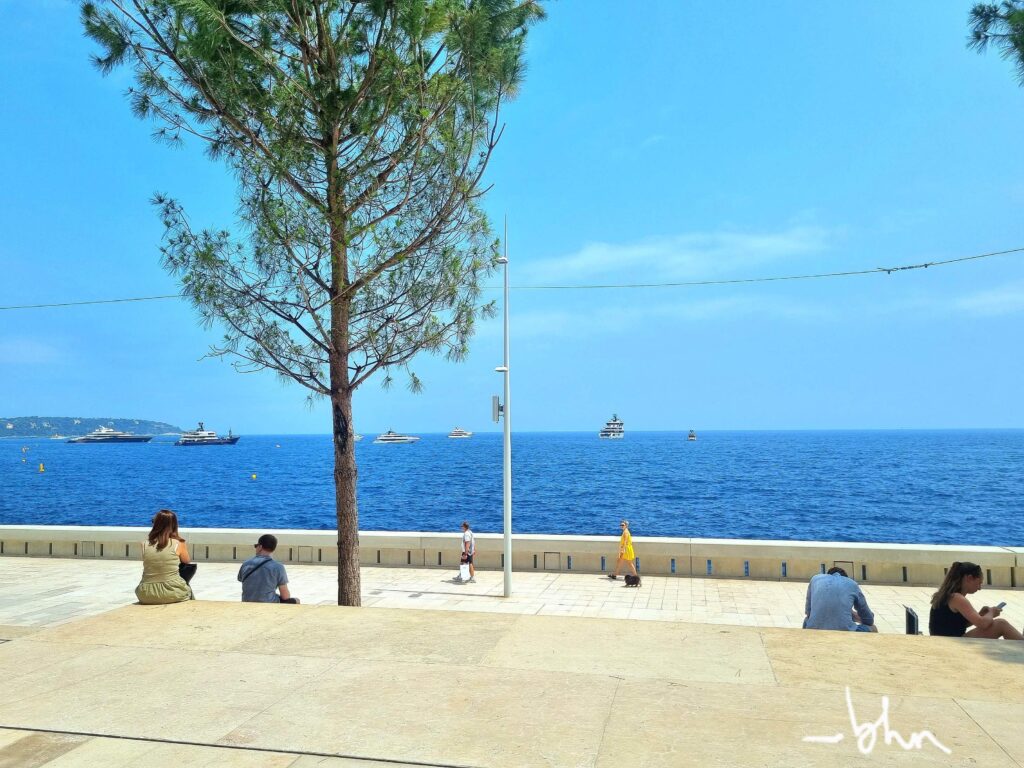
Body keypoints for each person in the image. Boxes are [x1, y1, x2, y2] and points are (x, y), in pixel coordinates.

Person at [929, 561, 1021, 640]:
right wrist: (991, 613)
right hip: (949, 642)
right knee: (1001, 624)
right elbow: (983, 624)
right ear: (969, 578)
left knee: (1000, 623)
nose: (980, 588)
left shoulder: (948, 595)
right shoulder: (956, 598)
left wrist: (980, 614)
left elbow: (956, 626)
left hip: (945, 639)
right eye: (979, 583)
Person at [135, 509, 193, 605]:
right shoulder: (179, 543)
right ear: (174, 525)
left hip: (146, 593)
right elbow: (186, 562)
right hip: (173, 592)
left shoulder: (144, 544)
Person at [803, 566, 877, 632]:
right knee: (873, 628)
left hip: (813, 629)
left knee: (806, 621)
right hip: (845, 631)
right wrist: (855, 616)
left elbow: (808, 613)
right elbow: (869, 620)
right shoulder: (852, 584)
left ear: (828, 574)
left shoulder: (815, 579)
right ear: (845, 577)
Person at [238, 534, 298, 604]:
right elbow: (285, 596)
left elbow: (242, 580)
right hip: (268, 603)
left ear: (260, 547)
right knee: (296, 600)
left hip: (247, 602)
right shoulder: (278, 567)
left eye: (256, 546)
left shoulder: (246, 564)